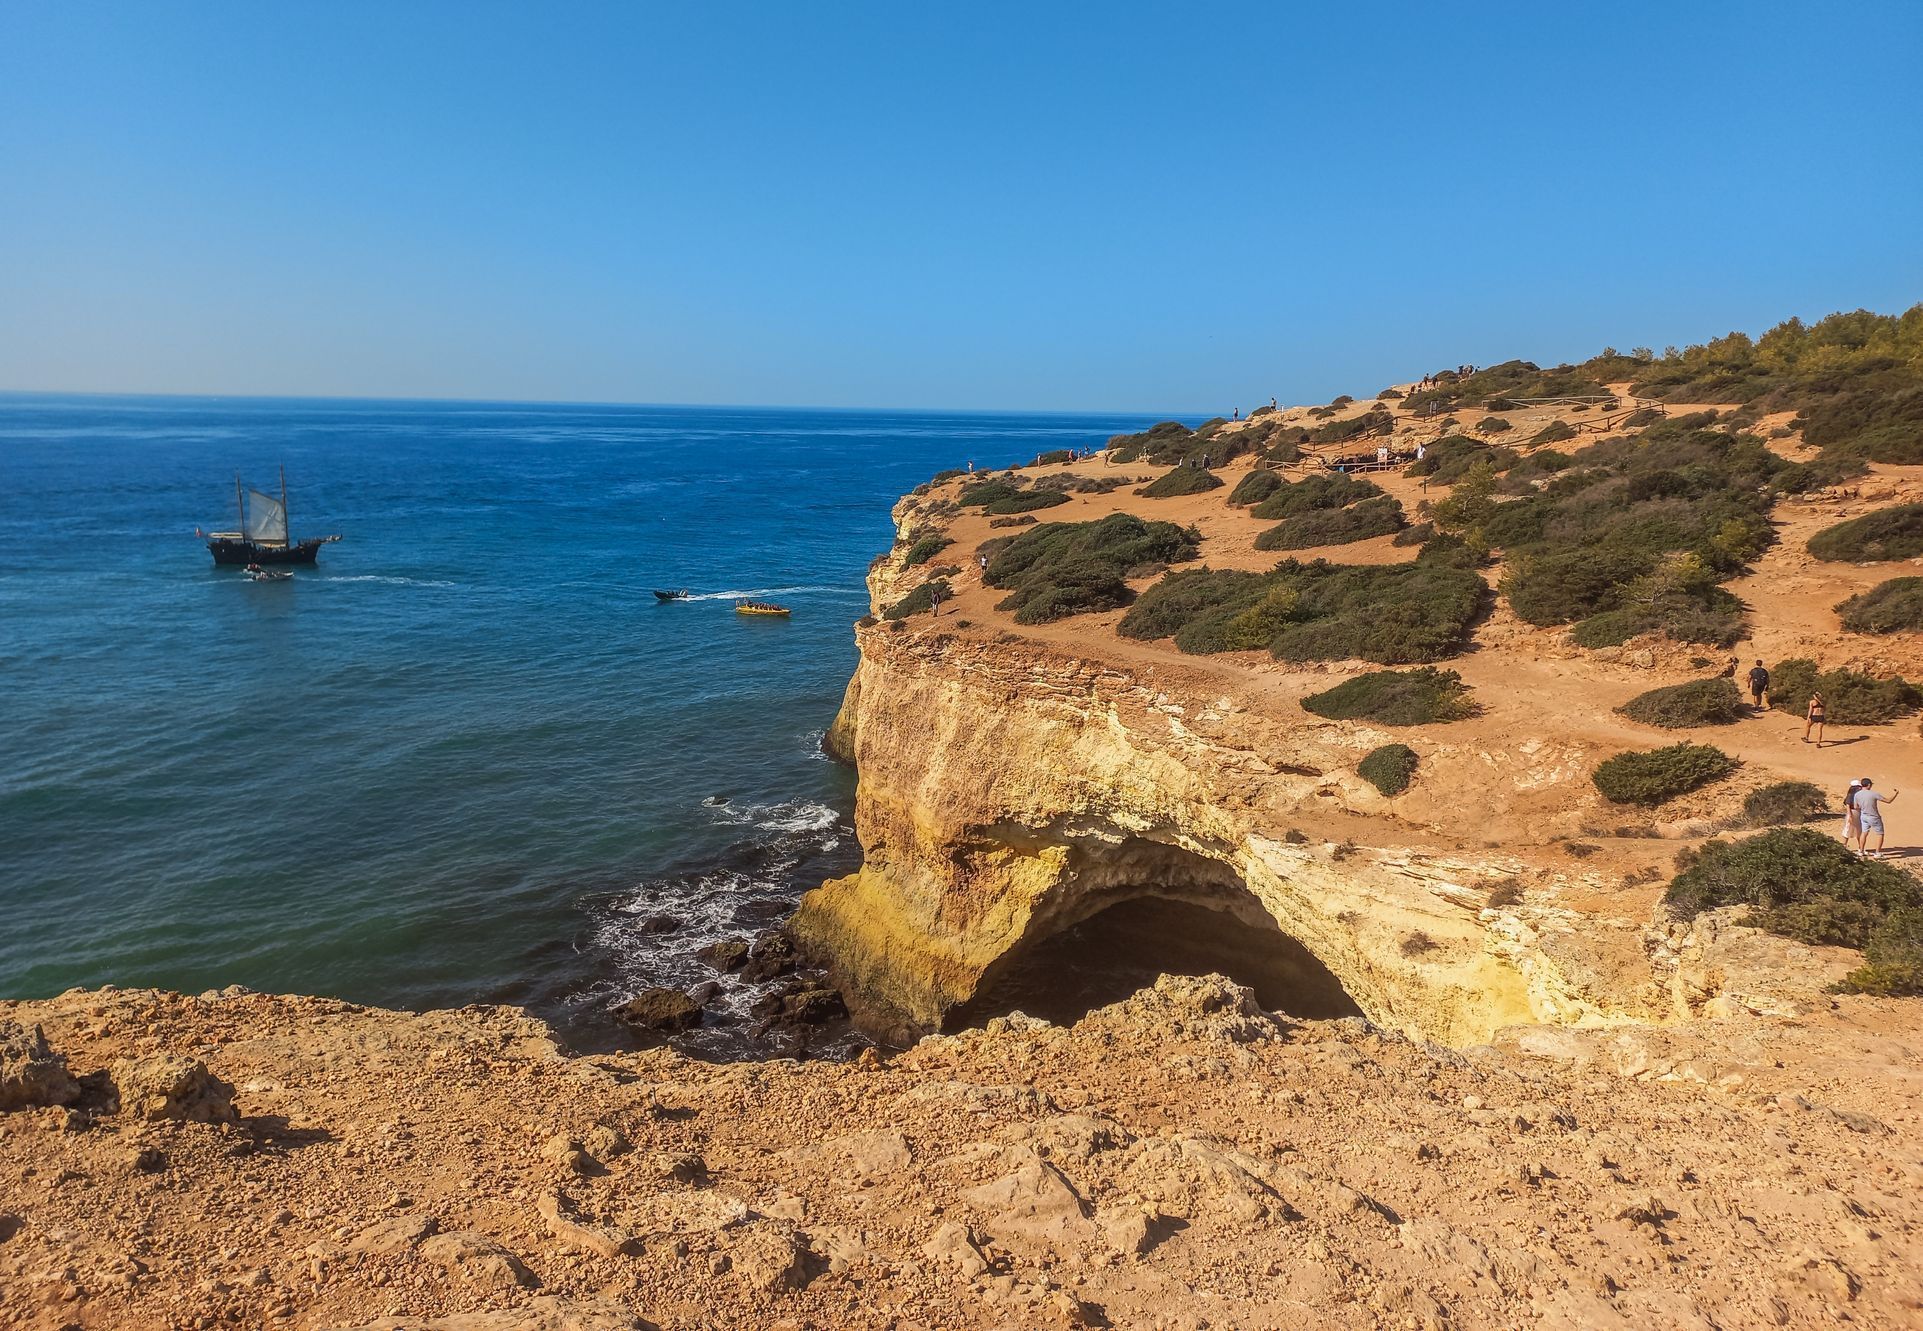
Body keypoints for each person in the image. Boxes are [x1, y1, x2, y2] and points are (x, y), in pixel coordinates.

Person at [1850, 779, 1899, 858]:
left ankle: (1861, 851)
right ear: (1869, 785)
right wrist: (1895, 794)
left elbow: (1856, 807)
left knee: (1864, 833)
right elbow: (1888, 801)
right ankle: (1877, 853)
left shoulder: (1857, 794)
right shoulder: (1874, 794)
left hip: (1864, 816)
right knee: (1880, 834)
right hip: (1874, 817)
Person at [1843, 778, 1863, 846]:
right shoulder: (1850, 795)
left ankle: (1861, 847)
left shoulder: (1858, 795)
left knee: (1859, 830)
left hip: (1858, 812)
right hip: (1852, 812)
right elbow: (1848, 805)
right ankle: (1844, 845)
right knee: (1848, 829)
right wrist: (1850, 815)